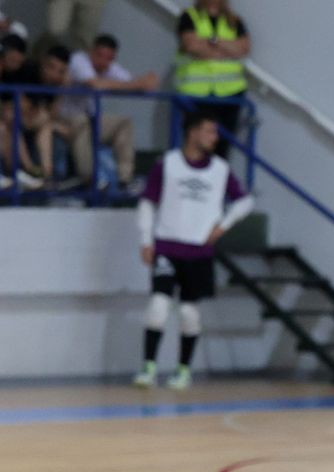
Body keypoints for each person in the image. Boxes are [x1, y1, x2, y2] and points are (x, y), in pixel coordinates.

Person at [134, 113, 254, 390]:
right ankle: (148, 367)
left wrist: (222, 226)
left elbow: (245, 202)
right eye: (209, 131)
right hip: (166, 245)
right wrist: (146, 239)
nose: (215, 137)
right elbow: (147, 203)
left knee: (189, 313)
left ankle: (183, 369)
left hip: (198, 252)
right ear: (192, 132)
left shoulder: (220, 170)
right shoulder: (168, 165)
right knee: (158, 305)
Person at [59, 35, 158, 190]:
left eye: (108, 58)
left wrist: (145, 81)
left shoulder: (109, 67)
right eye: (99, 56)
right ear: (91, 51)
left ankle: (125, 179)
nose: (103, 62)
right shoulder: (79, 60)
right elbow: (96, 84)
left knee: (124, 123)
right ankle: (90, 180)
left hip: (91, 119)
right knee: (82, 123)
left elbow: (134, 83)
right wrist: (136, 84)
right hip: (65, 119)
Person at [174, 0, 249, 159]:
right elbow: (192, 46)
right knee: (195, 144)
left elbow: (243, 48)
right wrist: (227, 50)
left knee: (222, 144)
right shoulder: (190, 17)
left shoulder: (234, 20)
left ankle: (217, 181)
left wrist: (213, 41)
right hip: (195, 94)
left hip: (230, 94)